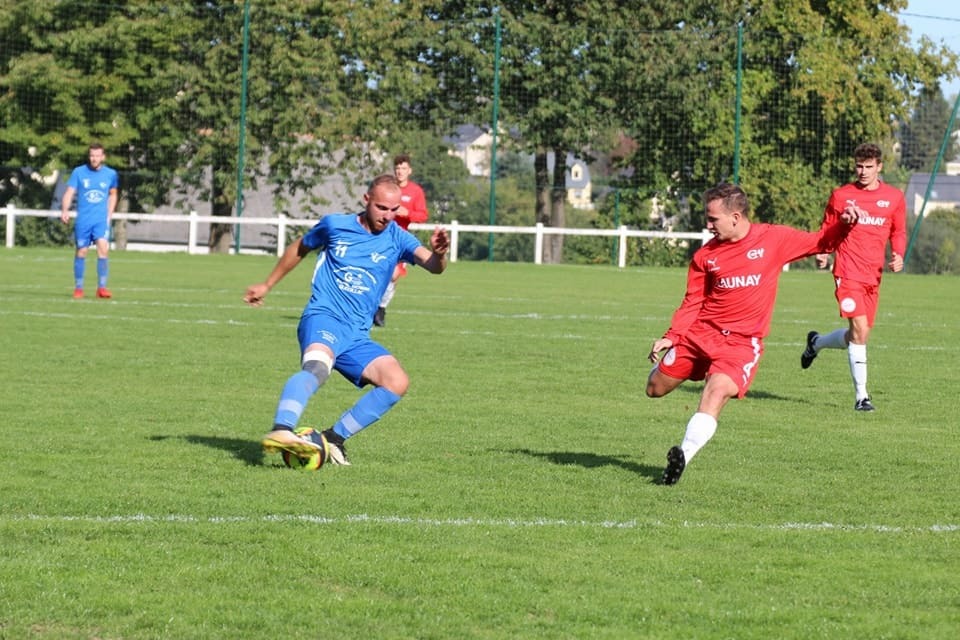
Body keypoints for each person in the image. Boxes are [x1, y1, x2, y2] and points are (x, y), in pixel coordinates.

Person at [647, 183, 859, 485]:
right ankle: (672, 369)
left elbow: (821, 241)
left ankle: (681, 458)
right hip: (699, 336)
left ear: (735, 217)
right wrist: (672, 336)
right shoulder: (705, 256)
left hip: (740, 345)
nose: (707, 226)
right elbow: (693, 301)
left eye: (712, 219)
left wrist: (846, 223)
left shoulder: (774, 239)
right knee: (654, 388)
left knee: (716, 391)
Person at [244, 174, 449, 466]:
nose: (387, 216)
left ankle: (333, 439)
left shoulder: (398, 237)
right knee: (317, 369)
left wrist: (441, 254)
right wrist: (267, 284)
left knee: (396, 381)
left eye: (393, 210)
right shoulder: (335, 225)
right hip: (323, 318)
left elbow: (434, 266)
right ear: (366, 200)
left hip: (356, 335)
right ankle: (282, 429)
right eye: (381, 208)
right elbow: (300, 248)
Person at [800, 143, 906, 412]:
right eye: (859, 166)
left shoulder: (894, 198)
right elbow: (827, 227)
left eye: (869, 166)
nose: (863, 171)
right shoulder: (842, 196)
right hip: (847, 271)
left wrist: (899, 254)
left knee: (859, 335)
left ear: (879, 167)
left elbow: (898, 231)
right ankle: (862, 397)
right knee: (858, 331)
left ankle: (817, 343)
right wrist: (823, 252)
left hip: (874, 274)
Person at [373, 153, 429, 327]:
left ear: (409, 170)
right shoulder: (387, 188)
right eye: (397, 168)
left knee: (394, 275)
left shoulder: (415, 191)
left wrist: (408, 214)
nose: (400, 171)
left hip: (399, 240)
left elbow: (423, 215)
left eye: (403, 168)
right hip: (379, 236)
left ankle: (381, 308)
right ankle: (369, 306)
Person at [60, 142, 119, 299]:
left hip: (100, 221)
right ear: (89, 156)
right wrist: (65, 210)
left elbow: (113, 194)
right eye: (92, 155)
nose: (94, 158)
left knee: (103, 248)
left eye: (97, 155)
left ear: (103, 157)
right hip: (84, 221)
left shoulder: (110, 174)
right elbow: (69, 192)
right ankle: (79, 288)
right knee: (82, 251)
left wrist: (109, 213)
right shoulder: (79, 172)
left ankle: (102, 288)